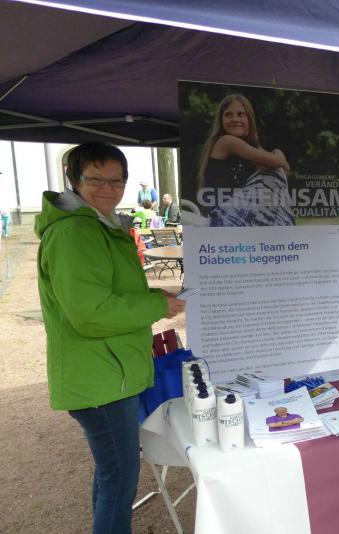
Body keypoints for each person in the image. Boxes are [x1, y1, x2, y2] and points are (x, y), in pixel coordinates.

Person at [34, 142, 185, 534]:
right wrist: (157, 305)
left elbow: (111, 290)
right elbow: (90, 313)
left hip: (109, 372)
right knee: (119, 478)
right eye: (96, 179)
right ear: (74, 179)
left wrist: (157, 291)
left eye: (116, 181)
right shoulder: (74, 232)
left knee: (112, 473)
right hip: (101, 380)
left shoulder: (99, 224)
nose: (108, 188)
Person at [188, 93, 294, 226]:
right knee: (273, 174)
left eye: (241, 114)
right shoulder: (226, 141)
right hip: (221, 218)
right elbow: (279, 163)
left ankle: (280, 225)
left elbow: (278, 165)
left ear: (249, 119)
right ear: (221, 121)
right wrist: (278, 153)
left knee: (273, 174)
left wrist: (278, 159)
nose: (235, 119)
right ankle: (283, 225)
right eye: (228, 115)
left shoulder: (249, 145)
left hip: (235, 216)